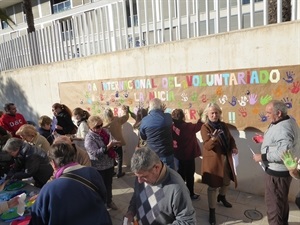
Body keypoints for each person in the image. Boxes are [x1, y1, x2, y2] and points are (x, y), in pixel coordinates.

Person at [29, 143, 112, 225]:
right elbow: (103, 197)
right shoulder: (92, 172)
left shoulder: (49, 189)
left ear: (53, 163)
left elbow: (38, 219)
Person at [252, 100, 300, 225]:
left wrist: (262, 157)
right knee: (280, 203)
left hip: (277, 174)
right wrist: (266, 139)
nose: (266, 115)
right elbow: (280, 141)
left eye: (269, 113)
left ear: (278, 113)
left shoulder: (284, 128)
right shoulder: (284, 121)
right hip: (279, 172)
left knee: (274, 207)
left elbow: (283, 152)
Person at [124, 147, 196, 224]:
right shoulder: (140, 174)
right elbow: (136, 196)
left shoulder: (177, 188)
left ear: (156, 168)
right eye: (137, 176)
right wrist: (130, 212)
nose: (139, 181)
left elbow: (188, 221)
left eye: (144, 176)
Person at [200, 102, 238, 225]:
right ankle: (212, 211)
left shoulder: (223, 125)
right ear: (207, 114)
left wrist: (234, 147)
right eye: (212, 113)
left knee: (226, 182)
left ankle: (221, 197)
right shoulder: (205, 127)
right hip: (214, 161)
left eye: (216, 112)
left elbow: (231, 139)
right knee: (213, 186)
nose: (214, 115)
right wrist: (213, 138)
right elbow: (207, 145)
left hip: (226, 158)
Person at [85, 115, 121, 210]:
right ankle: (101, 205)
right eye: (97, 126)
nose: (100, 128)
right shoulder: (89, 138)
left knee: (108, 185)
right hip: (99, 167)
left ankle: (109, 201)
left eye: (101, 125)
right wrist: (108, 146)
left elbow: (111, 142)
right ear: (90, 127)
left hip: (109, 164)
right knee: (100, 187)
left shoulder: (105, 132)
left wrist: (115, 145)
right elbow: (95, 153)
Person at [171, 108, 203, 200]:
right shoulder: (188, 127)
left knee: (180, 175)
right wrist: (201, 116)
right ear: (183, 117)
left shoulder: (171, 127)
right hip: (189, 155)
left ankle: (180, 193)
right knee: (189, 175)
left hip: (177, 155)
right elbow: (200, 125)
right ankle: (190, 193)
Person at [139, 98, 175, 169]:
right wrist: (162, 111)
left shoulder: (145, 120)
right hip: (166, 153)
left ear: (150, 107)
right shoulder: (168, 117)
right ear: (161, 107)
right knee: (169, 176)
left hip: (152, 154)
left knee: (154, 177)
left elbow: (143, 137)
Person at [103, 105, 129, 178]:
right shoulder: (117, 120)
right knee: (120, 158)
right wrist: (126, 112)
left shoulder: (104, 124)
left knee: (111, 157)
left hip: (108, 144)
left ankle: (112, 172)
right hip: (117, 142)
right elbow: (125, 117)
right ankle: (119, 172)